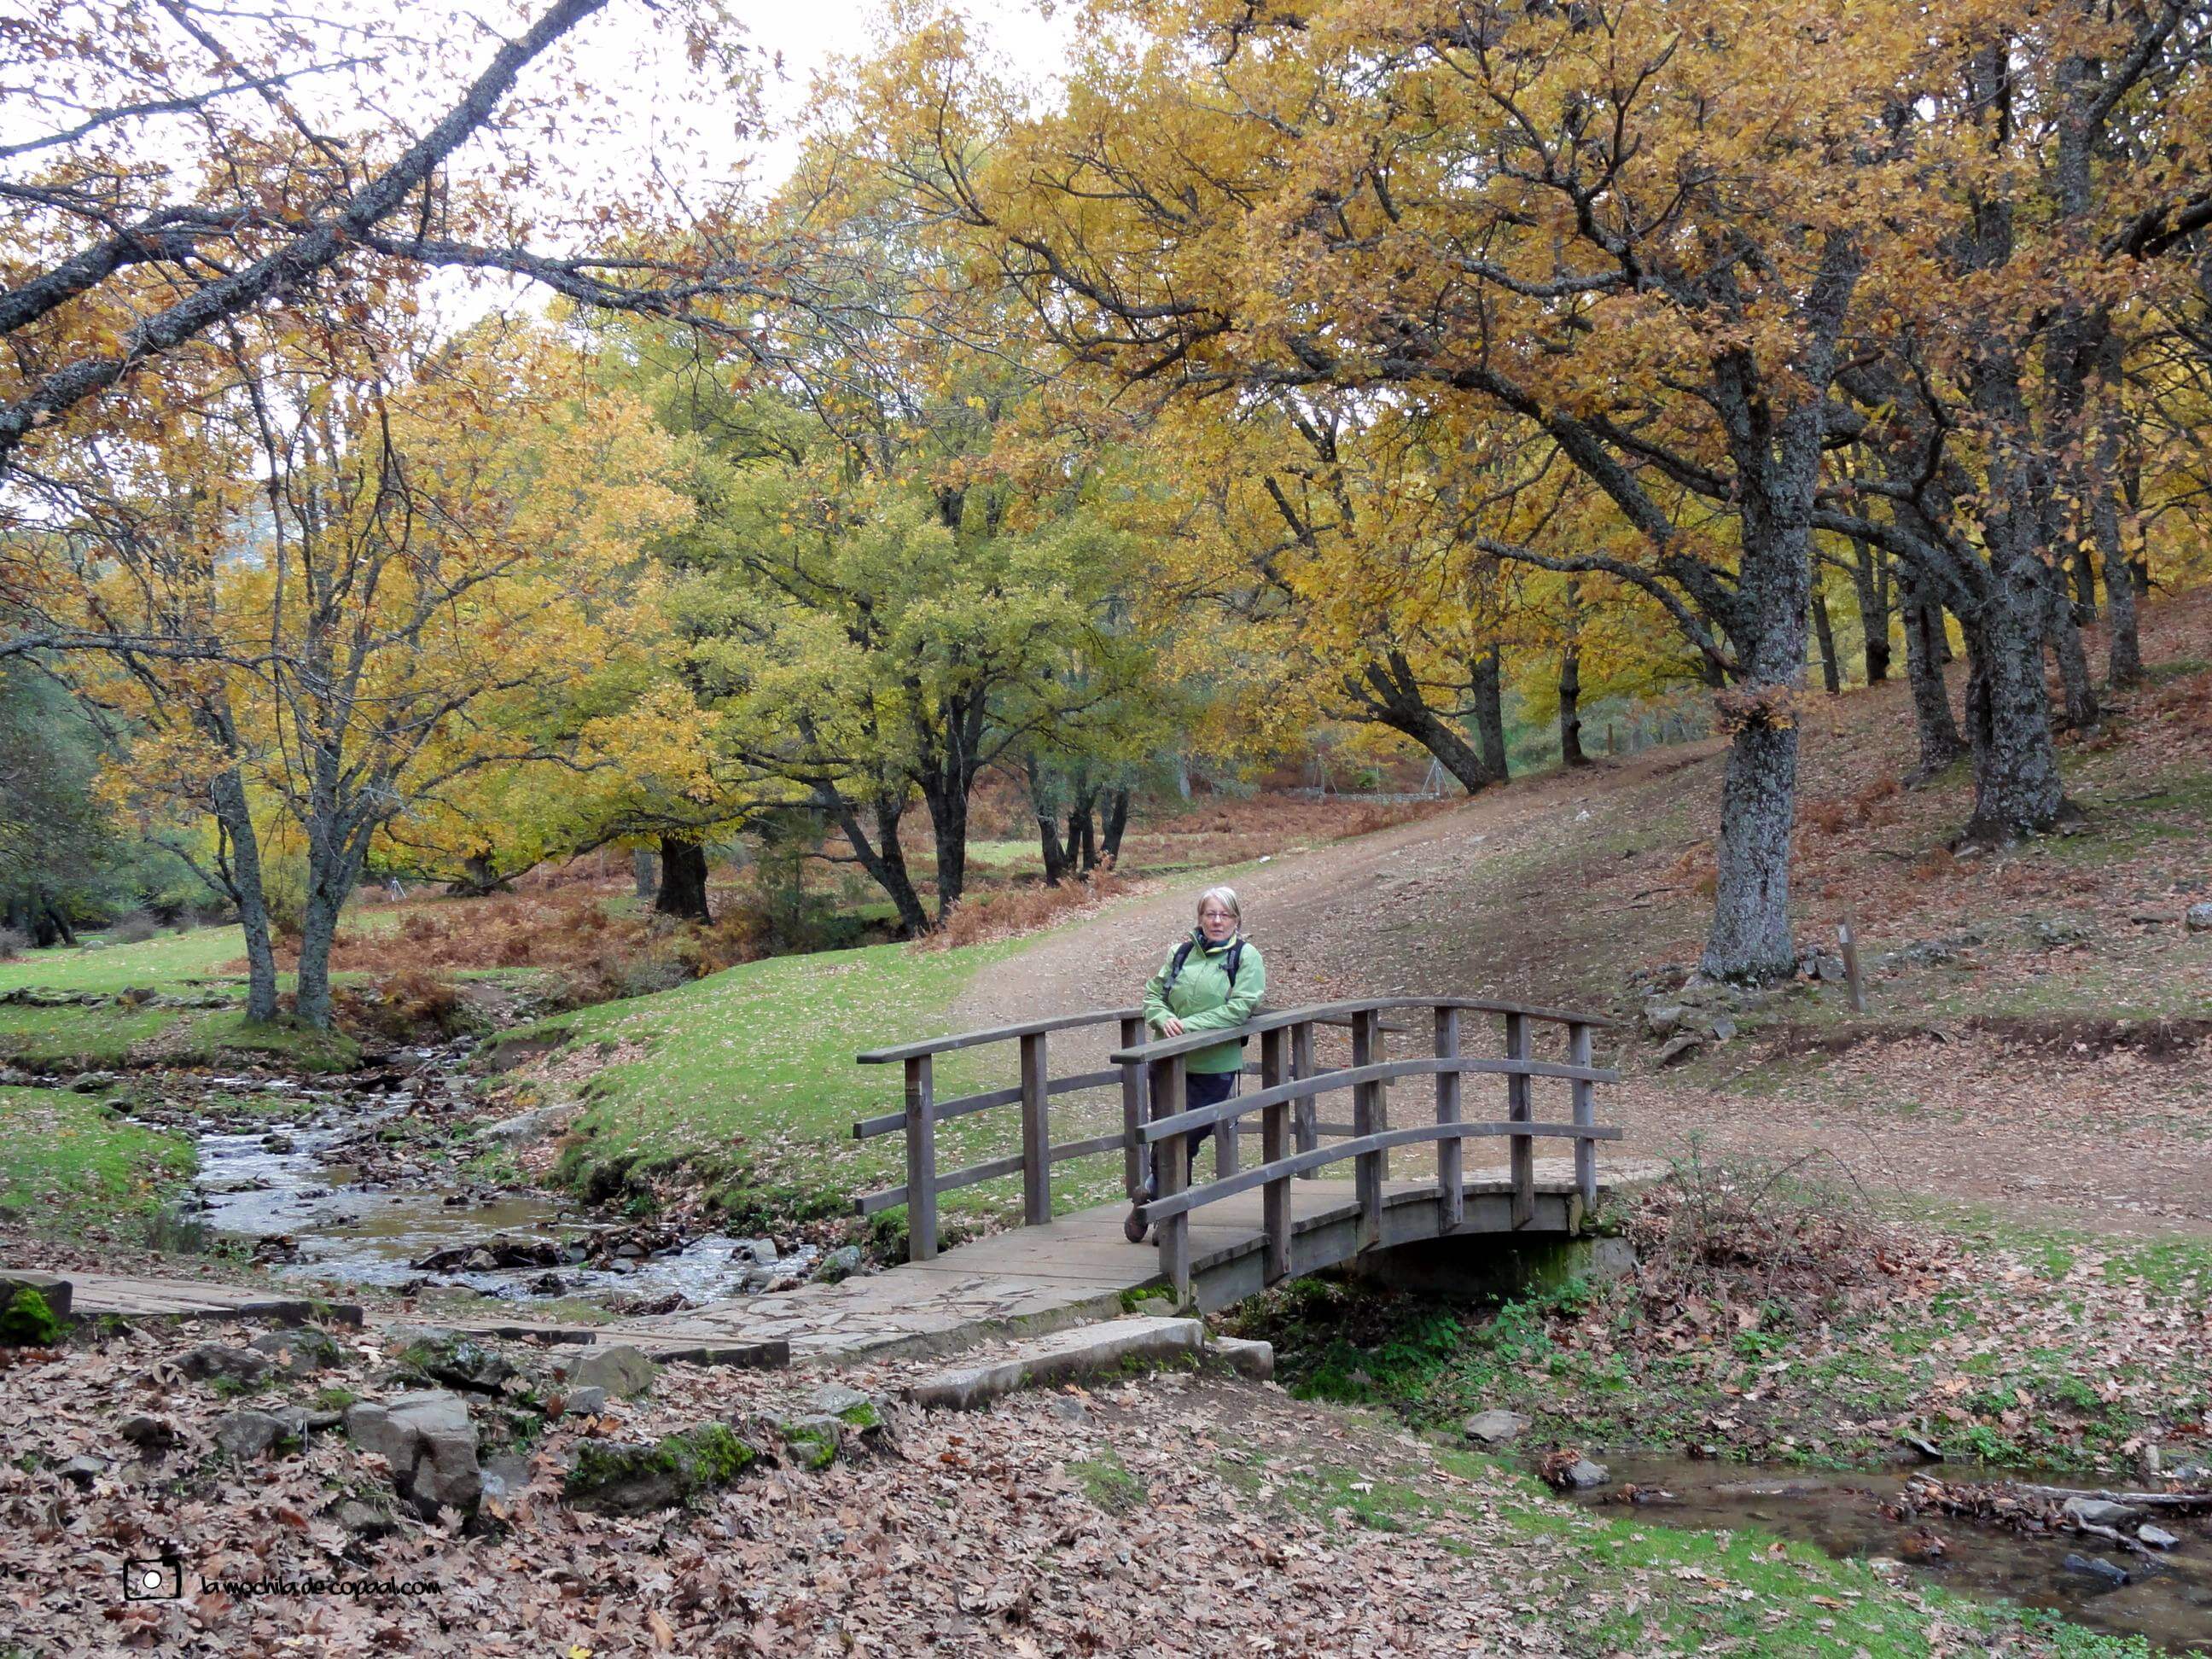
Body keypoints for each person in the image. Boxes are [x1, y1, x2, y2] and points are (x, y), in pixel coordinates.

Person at [1125, 886, 1266, 1244]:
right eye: (1210, 914)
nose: (1217, 921)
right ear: (1200, 918)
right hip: (1168, 1061)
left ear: (1236, 919)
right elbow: (1153, 996)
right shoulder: (1181, 952)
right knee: (1166, 1133)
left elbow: (1241, 1008)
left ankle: (1152, 1194)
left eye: (1224, 915)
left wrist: (1189, 1026)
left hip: (1214, 1065)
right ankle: (1168, 1217)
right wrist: (1162, 1018)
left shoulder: (1246, 957)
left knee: (1187, 1135)